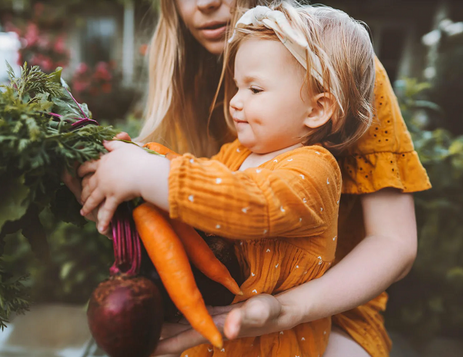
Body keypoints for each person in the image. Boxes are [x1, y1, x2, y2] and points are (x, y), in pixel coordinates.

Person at [63, 0, 431, 356]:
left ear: (319, 108)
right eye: (237, 87)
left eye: (254, 89)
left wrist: (149, 173)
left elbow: (248, 200)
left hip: (299, 327)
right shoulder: (241, 148)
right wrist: (133, 165)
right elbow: (203, 176)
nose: (235, 102)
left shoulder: (314, 163)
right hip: (232, 313)